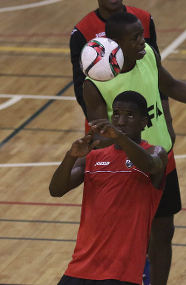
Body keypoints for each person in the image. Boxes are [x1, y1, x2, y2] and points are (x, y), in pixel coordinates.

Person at [84, 12, 186, 285]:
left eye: (142, 35)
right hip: (129, 169)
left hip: (163, 160)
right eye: (135, 38)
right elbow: (99, 139)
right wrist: (123, 139)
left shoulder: (148, 56)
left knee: (163, 232)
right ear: (115, 44)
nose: (142, 42)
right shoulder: (95, 83)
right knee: (129, 237)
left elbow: (172, 86)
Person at [69, 0, 176, 284]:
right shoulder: (82, 31)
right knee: (119, 225)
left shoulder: (144, 19)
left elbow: (158, 78)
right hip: (111, 143)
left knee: (162, 227)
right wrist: (110, 132)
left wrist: (166, 119)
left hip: (154, 139)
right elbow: (81, 88)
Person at [50, 91, 168, 285]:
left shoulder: (155, 152)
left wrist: (120, 138)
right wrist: (70, 156)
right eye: (116, 114)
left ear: (144, 121)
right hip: (80, 268)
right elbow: (56, 190)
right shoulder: (94, 157)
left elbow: (149, 165)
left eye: (129, 115)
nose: (121, 121)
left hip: (121, 273)